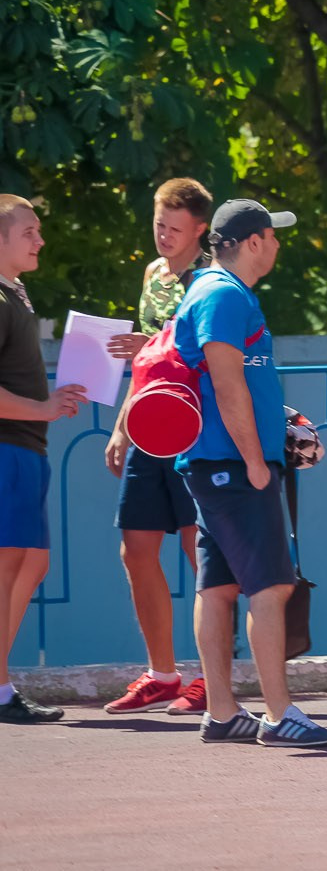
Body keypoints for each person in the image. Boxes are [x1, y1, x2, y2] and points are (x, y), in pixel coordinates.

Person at [176, 199, 327, 746]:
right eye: (272, 236)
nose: (276, 245)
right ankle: (279, 714)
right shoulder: (223, 294)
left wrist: (280, 420)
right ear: (251, 242)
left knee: (219, 588)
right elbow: (226, 384)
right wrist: (254, 460)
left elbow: (238, 381)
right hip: (231, 466)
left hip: (214, 464)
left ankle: (222, 713)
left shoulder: (217, 291)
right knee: (270, 587)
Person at [101, 178, 213, 717]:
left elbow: (201, 353)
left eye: (174, 227)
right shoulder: (151, 274)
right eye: (158, 225)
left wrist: (145, 344)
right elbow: (144, 361)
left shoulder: (212, 280)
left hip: (194, 430)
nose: (163, 235)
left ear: (200, 230)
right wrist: (122, 422)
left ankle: (213, 678)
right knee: (136, 547)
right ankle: (163, 673)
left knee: (202, 556)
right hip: (148, 426)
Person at [0, 196, 86, 725]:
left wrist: (52, 400)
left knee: (31, 565)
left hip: (27, 450)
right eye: (29, 232)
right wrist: (43, 406)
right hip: (8, 450)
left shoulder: (16, 294)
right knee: (9, 568)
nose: (40, 240)